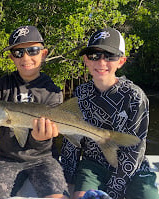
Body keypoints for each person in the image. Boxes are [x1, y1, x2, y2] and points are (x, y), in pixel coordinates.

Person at [0, 25, 69, 199]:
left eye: (32, 51)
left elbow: (45, 143)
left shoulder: (53, 91)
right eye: (18, 53)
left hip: (44, 159)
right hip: (7, 159)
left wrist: (40, 139)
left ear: (44, 53)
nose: (25, 57)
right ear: (12, 57)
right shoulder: (4, 84)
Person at [60, 27, 159, 199]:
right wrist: (68, 179)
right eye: (94, 56)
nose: (101, 62)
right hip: (92, 166)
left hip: (133, 169)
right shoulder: (80, 93)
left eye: (110, 56)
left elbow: (135, 150)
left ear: (121, 61)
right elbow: (71, 141)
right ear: (86, 60)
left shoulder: (135, 96)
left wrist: (113, 190)